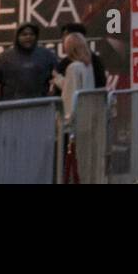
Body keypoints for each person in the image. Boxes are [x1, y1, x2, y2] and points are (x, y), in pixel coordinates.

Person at [0, 22, 57, 101]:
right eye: (24, 34)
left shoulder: (46, 55)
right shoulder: (5, 57)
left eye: (32, 34)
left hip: (40, 105)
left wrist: (54, 93)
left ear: (36, 37)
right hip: (12, 106)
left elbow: (60, 76)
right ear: (17, 37)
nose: (28, 37)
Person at [56, 31, 95, 184]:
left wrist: (65, 122)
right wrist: (59, 80)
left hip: (74, 124)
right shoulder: (87, 66)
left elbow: (69, 96)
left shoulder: (73, 67)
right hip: (87, 119)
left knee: (71, 166)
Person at [52, 22, 107, 90]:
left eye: (66, 35)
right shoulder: (66, 63)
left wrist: (58, 79)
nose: (63, 39)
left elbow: (71, 90)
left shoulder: (76, 66)